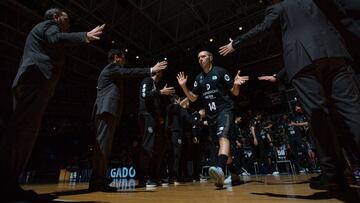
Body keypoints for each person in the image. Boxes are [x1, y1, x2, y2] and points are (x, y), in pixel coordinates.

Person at [219, 0, 360, 190]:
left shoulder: (280, 6)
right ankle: (341, 172)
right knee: (352, 111)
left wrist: (236, 43)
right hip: (334, 53)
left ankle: (334, 174)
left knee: (320, 118)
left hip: (303, 63)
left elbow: (265, 26)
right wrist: (278, 76)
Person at [0, 8, 105, 201]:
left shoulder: (43, 30)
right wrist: (85, 36)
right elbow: (55, 38)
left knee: (22, 131)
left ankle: (8, 182)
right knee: (23, 132)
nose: (68, 23)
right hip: (34, 80)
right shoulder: (49, 26)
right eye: (66, 19)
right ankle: (6, 184)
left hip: (32, 82)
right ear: (56, 17)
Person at [90, 49, 167, 192]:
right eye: (123, 58)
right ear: (116, 58)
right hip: (106, 110)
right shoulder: (112, 68)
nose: (125, 61)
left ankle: (99, 178)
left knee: (104, 146)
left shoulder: (112, 71)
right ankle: (97, 181)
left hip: (107, 111)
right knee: (102, 146)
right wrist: (151, 69)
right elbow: (129, 72)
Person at [176, 50, 249, 188]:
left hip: (225, 110)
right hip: (211, 115)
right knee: (220, 146)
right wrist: (183, 86)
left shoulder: (221, 72)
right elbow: (192, 98)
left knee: (223, 137)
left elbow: (235, 92)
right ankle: (234, 175)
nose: (200, 59)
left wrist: (237, 83)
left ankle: (220, 169)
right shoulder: (199, 78)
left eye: (203, 56)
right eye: (198, 57)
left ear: (210, 58)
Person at [137, 70, 175, 187]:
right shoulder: (147, 80)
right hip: (146, 116)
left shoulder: (155, 85)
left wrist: (158, 117)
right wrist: (160, 92)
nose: (162, 74)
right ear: (156, 72)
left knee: (158, 148)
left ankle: (154, 176)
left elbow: (155, 103)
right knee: (148, 147)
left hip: (154, 118)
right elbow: (145, 95)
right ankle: (143, 178)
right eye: (161, 72)